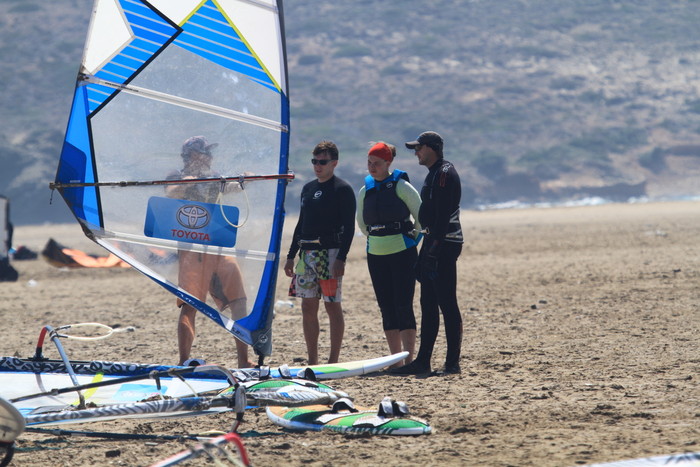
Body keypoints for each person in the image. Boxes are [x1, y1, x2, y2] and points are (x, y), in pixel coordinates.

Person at [165, 136, 255, 368]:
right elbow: (171, 193)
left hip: (217, 245)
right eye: (206, 152)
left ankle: (243, 360)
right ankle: (184, 360)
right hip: (191, 249)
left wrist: (246, 180)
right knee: (190, 305)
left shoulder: (214, 176)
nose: (210, 157)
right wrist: (190, 180)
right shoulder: (176, 175)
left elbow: (233, 187)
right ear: (193, 154)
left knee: (239, 301)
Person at [390, 131, 464, 376]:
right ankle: (423, 360)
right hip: (434, 243)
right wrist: (425, 251)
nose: (416, 153)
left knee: (446, 303)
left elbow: (442, 218)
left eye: (419, 148)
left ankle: (452, 363)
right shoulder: (433, 173)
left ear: (432, 148)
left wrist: (432, 252)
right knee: (428, 303)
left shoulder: (444, 173)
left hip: (444, 244)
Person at [283, 141, 356, 365]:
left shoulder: (342, 189)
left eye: (322, 162)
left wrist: (342, 258)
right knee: (307, 306)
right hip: (306, 254)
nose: (318, 166)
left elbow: (349, 227)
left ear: (334, 163)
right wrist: (290, 255)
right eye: (314, 161)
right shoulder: (308, 188)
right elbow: (301, 223)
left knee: (332, 305)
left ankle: (333, 360)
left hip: (330, 254)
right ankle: (313, 359)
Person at [356, 142, 422, 367]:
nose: (372, 167)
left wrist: (413, 237)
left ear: (388, 163)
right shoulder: (365, 190)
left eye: (377, 163)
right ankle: (396, 360)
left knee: (403, 303)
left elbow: (421, 215)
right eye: (369, 163)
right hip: (376, 253)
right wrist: (375, 239)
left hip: (403, 251)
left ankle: (409, 358)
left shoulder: (401, 186)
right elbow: (362, 223)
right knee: (386, 305)